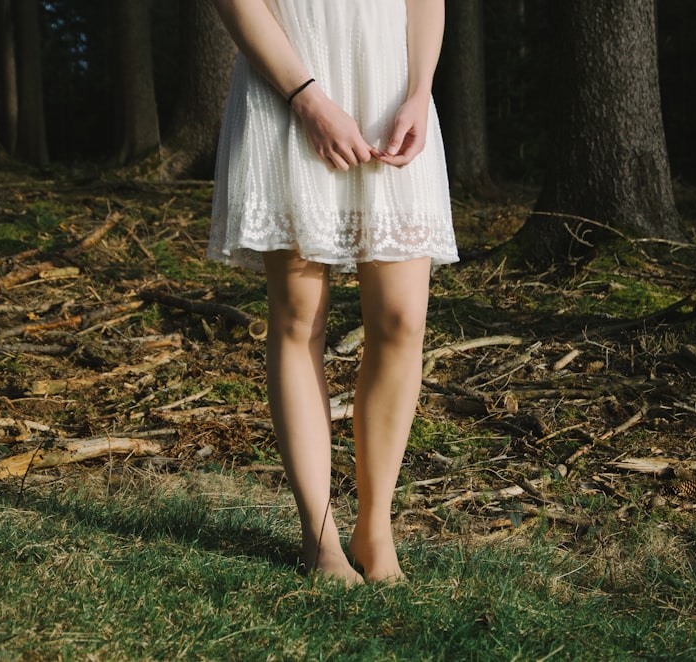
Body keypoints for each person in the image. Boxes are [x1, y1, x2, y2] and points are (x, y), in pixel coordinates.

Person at [208, 0, 457, 584]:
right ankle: (319, 539)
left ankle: (376, 530)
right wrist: (308, 100)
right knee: (299, 318)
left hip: (389, 87)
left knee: (401, 321)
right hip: (292, 83)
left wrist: (420, 88)